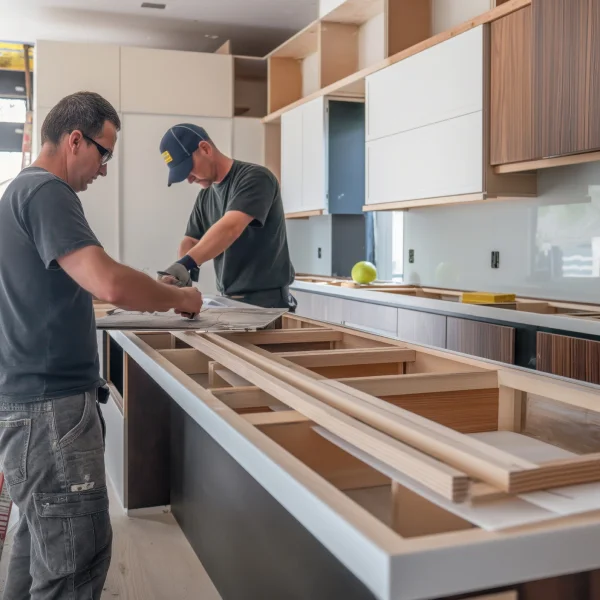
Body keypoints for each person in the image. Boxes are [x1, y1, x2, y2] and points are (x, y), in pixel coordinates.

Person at [0, 92, 202, 599]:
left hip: (28, 405)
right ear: (74, 140)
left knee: (37, 548)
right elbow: (107, 282)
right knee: (74, 563)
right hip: (52, 413)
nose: (105, 169)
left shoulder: (15, 193)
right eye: (104, 153)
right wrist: (180, 298)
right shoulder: (48, 192)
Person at [157, 123, 297, 311]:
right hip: (229, 299)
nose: (189, 179)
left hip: (266, 302)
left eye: (188, 168)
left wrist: (186, 263)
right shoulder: (205, 196)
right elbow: (190, 240)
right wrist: (181, 279)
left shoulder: (255, 178)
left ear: (205, 149)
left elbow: (230, 228)